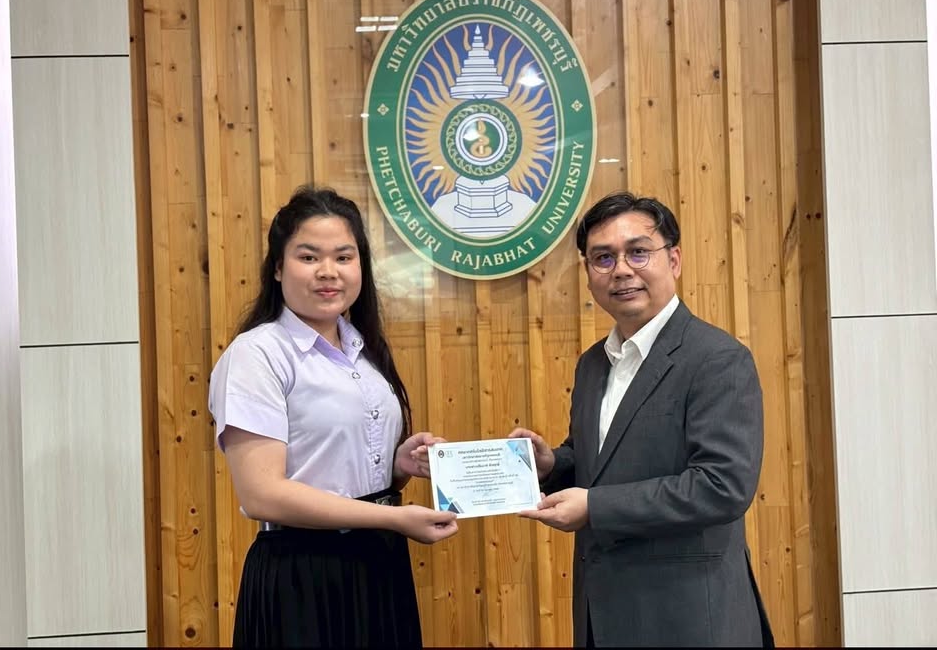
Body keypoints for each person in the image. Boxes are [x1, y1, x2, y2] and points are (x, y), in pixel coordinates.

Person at [511, 191, 773, 647]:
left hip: (689, 621)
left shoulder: (717, 359)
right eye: (603, 258)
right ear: (588, 274)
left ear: (674, 260)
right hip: (604, 615)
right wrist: (553, 464)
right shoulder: (593, 363)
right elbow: (600, 462)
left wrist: (594, 507)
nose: (621, 270)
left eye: (638, 252)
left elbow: (722, 486)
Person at [208, 185, 458, 648]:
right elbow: (262, 494)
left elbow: (338, 467)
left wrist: (398, 466)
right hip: (302, 573)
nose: (328, 272)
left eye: (344, 257)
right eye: (309, 257)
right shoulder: (257, 355)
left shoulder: (363, 350)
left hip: (379, 564)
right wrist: (393, 519)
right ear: (278, 267)